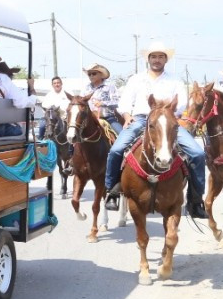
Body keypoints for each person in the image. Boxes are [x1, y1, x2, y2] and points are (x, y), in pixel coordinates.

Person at [104, 42, 206, 218]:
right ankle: (112, 191)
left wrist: (168, 112)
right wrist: (127, 116)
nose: (156, 60)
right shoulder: (136, 79)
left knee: (198, 153)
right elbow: (125, 102)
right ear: (148, 59)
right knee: (116, 150)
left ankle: (196, 200)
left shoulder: (175, 80)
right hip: (140, 119)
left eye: (160, 57)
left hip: (167, 120)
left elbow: (181, 103)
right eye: (153, 57)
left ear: (166, 60)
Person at [0, 56, 35, 136]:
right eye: (10, 74)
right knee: (18, 130)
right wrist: (32, 89)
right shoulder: (1, 80)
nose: (11, 77)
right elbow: (20, 102)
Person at [84, 63, 122, 134]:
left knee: (122, 134)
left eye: (94, 73)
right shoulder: (87, 88)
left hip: (108, 118)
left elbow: (117, 102)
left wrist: (103, 103)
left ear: (101, 74)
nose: (91, 76)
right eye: (89, 74)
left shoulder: (110, 86)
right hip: (90, 119)